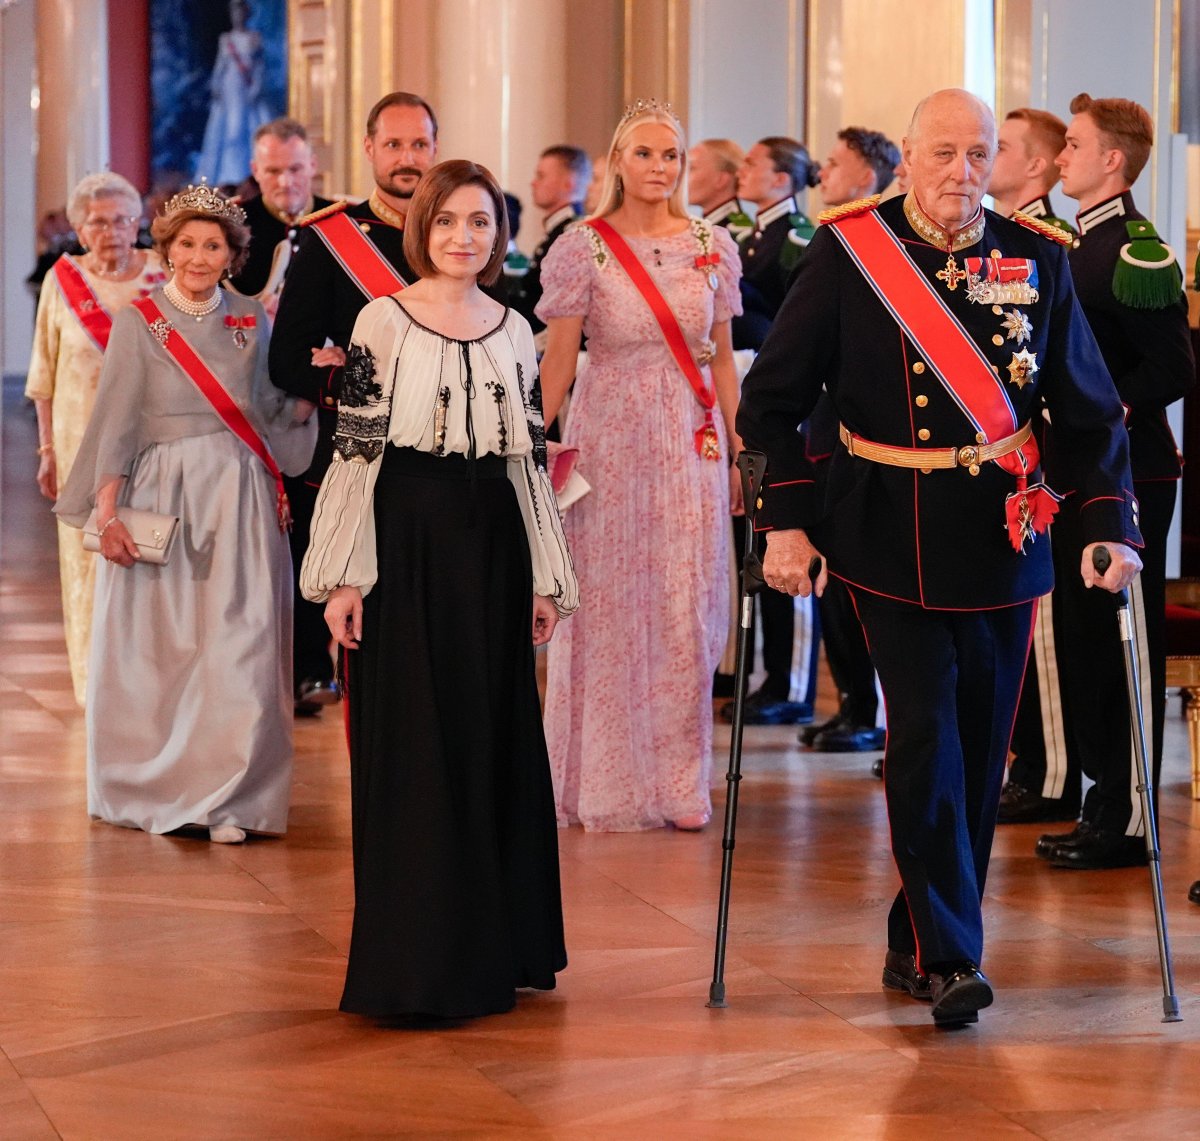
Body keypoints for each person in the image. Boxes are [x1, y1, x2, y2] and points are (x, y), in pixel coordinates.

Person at [737, 89, 1141, 1027]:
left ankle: (914, 927)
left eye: (980, 153)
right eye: (945, 152)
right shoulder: (851, 251)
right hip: (884, 529)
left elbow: (1084, 407)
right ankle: (953, 954)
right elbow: (772, 400)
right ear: (908, 157)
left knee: (979, 740)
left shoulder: (1038, 256)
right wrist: (785, 521)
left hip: (1005, 532)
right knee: (922, 736)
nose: (963, 172)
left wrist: (1111, 522)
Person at [300, 159, 576, 1019]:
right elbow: (354, 452)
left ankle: (497, 943)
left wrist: (544, 572)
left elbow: (530, 456)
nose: (466, 237)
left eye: (483, 222)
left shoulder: (516, 326)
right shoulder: (381, 320)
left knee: (489, 737)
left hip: (491, 542)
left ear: (501, 234)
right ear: (424, 227)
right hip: (405, 538)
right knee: (416, 740)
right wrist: (345, 573)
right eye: (450, 220)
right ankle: (417, 959)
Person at [53, 184, 316, 842]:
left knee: (242, 645)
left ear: (232, 254)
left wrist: (317, 391)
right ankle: (159, 787)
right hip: (163, 491)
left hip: (239, 491)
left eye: (214, 245)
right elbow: (115, 418)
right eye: (187, 244)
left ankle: (233, 799)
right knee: (165, 650)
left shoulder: (253, 317)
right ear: (165, 250)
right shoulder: (142, 322)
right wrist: (107, 512)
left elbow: (273, 408)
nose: (199, 256)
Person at [537, 99, 744, 832]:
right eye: (646, 153)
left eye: (672, 156)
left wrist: (743, 446)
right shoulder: (580, 246)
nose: (660, 168)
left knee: (687, 604)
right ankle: (597, 779)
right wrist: (534, 443)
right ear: (619, 161)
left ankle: (679, 781)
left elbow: (720, 358)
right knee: (608, 603)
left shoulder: (713, 244)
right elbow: (560, 357)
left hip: (692, 439)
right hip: (610, 431)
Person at [1027, 94, 1194, 867]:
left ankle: (1129, 817)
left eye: (1076, 146)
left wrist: (1101, 412)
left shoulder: (1135, 250)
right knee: (1086, 640)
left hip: (1130, 471)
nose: (1062, 157)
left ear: (1112, 162)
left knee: (1123, 638)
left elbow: (1172, 366)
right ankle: (1102, 800)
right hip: (1076, 471)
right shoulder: (1070, 245)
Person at [270, 91, 438, 714]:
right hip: (363, 459)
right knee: (367, 614)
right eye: (392, 144)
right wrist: (354, 384)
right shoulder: (332, 241)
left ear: (435, 150)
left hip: (449, 461)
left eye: (418, 144)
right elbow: (286, 358)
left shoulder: (461, 232)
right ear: (369, 149)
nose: (406, 158)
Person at [26, 173, 167, 707]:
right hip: (79, 443)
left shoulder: (161, 274)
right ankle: (95, 689)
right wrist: (47, 452)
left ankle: (148, 686)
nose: (112, 231)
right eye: (99, 222)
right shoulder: (63, 281)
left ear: (139, 224)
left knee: (148, 553)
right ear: (81, 230)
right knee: (86, 565)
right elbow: (43, 375)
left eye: (123, 220)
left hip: (153, 446)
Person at [804, 127, 901, 757]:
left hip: (866, 442)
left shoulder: (881, 247)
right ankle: (854, 707)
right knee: (835, 589)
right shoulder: (835, 241)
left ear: (866, 176)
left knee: (878, 596)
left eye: (835, 164)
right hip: (824, 433)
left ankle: (885, 719)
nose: (822, 174)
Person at [727, 136, 821, 726]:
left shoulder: (796, 239)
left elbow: (793, 323)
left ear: (784, 180)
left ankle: (793, 683)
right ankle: (771, 676)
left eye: (755, 164)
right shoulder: (752, 235)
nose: (744, 171)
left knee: (790, 534)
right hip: (756, 396)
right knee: (761, 540)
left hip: (792, 403)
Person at [228, 117, 332, 313]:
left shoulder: (341, 220)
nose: (285, 182)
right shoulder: (232, 224)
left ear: (313, 165)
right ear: (256, 171)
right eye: (273, 171)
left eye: (295, 169)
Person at [511, 145, 591, 342]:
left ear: (568, 184)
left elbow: (564, 309)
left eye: (541, 176)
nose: (533, 183)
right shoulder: (559, 231)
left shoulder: (572, 235)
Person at [193, 0, 274, 186]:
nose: (238, 15)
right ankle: (229, 174)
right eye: (234, 11)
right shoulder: (226, 39)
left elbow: (260, 68)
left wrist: (256, 87)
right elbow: (220, 67)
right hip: (231, 88)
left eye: (241, 11)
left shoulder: (255, 38)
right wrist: (216, 85)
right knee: (231, 131)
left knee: (250, 130)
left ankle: (248, 176)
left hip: (248, 89)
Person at [987, 108, 1073, 230]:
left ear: (1034, 167)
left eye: (1000, 148)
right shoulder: (997, 230)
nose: (986, 155)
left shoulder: (1049, 240)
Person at [688, 138, 751, 234]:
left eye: (691, 169)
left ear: (721, 180)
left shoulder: (738, 232)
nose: (680, 178)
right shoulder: (707, 226)